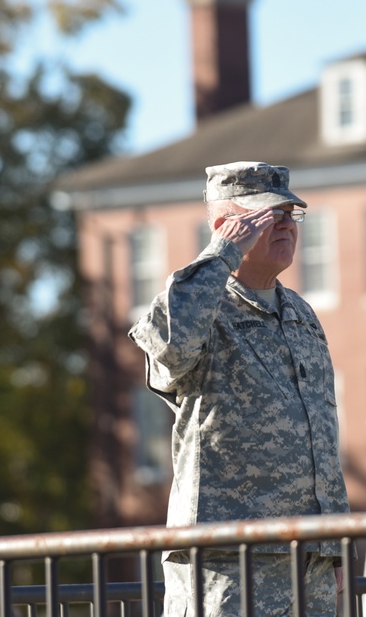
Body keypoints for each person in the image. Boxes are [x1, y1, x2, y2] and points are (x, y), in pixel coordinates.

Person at [128, 161, 350, 617]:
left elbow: (321, 437)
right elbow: (169, 346)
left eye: (291, 213)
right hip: (231, 558)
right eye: (268, 214)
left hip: (311, 558)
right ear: (223, 225)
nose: (285, 222)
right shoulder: (198, 304)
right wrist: (222, 253)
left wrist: (334, 542)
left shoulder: (302, 315)